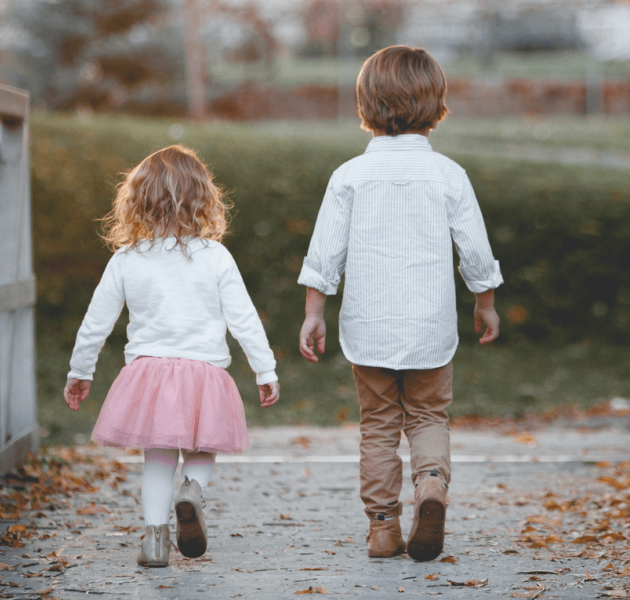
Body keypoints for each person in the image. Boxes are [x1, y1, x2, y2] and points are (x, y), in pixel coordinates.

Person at [297, 46, 503, 561]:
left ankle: (383, 528)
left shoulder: (348, 176)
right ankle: (431, 485)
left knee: (379, 425)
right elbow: (475, 250)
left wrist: (314, 313)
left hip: (369, 329)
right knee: (430, 415)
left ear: (366, 104)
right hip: (430, 328)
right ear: (436, 105)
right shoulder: (448, 175)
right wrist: (486, 302)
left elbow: (324, 253)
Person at [64, 145, 280, 568]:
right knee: (202, 448)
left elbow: (96, 322)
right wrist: (264, 368)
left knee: (158, 457)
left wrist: (80, 369)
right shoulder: (216, 256)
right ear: (203, 198)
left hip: (149, 377)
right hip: (204, 374)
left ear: (137, 201)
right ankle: (193, 492)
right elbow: (244, 320)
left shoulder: (126, 260)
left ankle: (154, 542)